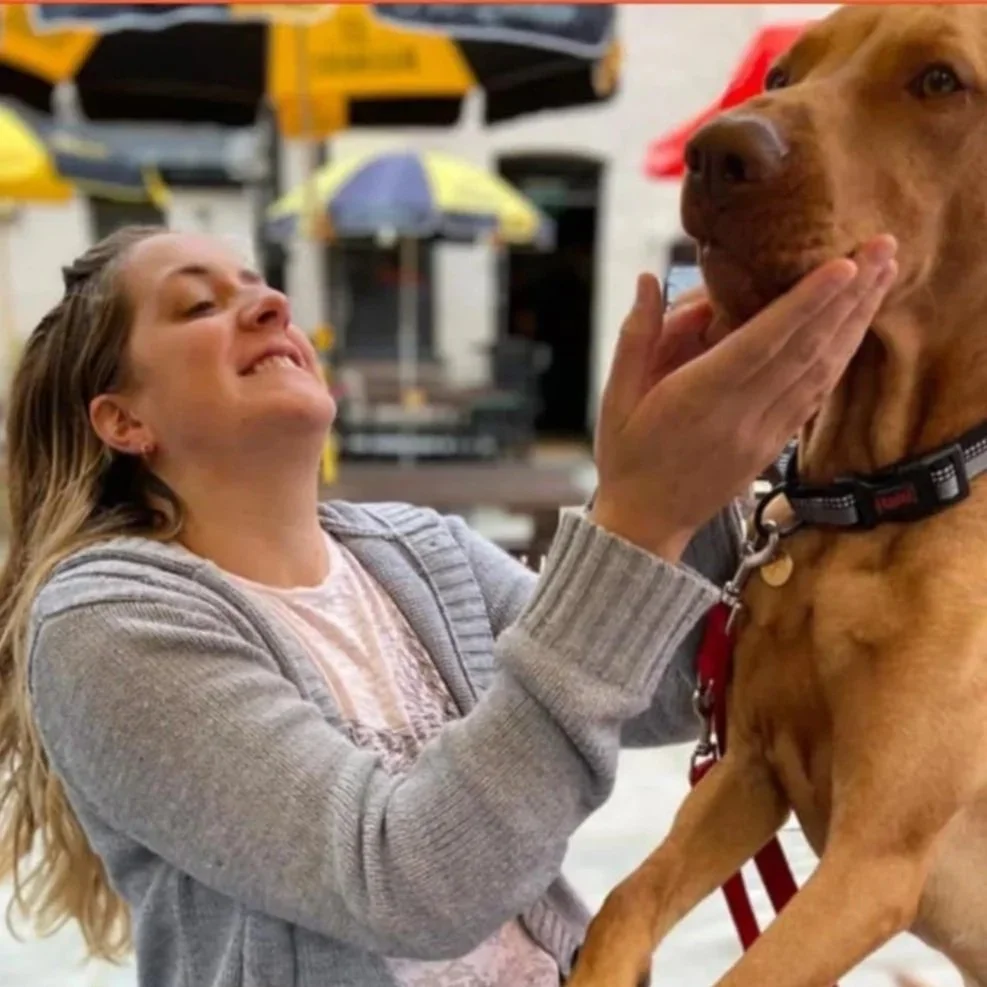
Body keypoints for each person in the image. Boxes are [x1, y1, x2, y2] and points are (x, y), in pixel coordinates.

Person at [0, 226, 897, 987]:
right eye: (198, 306)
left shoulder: (417, 551)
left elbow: (665, 685)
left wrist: (707, 470)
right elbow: (408, 884)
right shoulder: (104, 621)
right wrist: (634, 516)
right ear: (122, 421)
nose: (272, 306)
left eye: (261, 286)